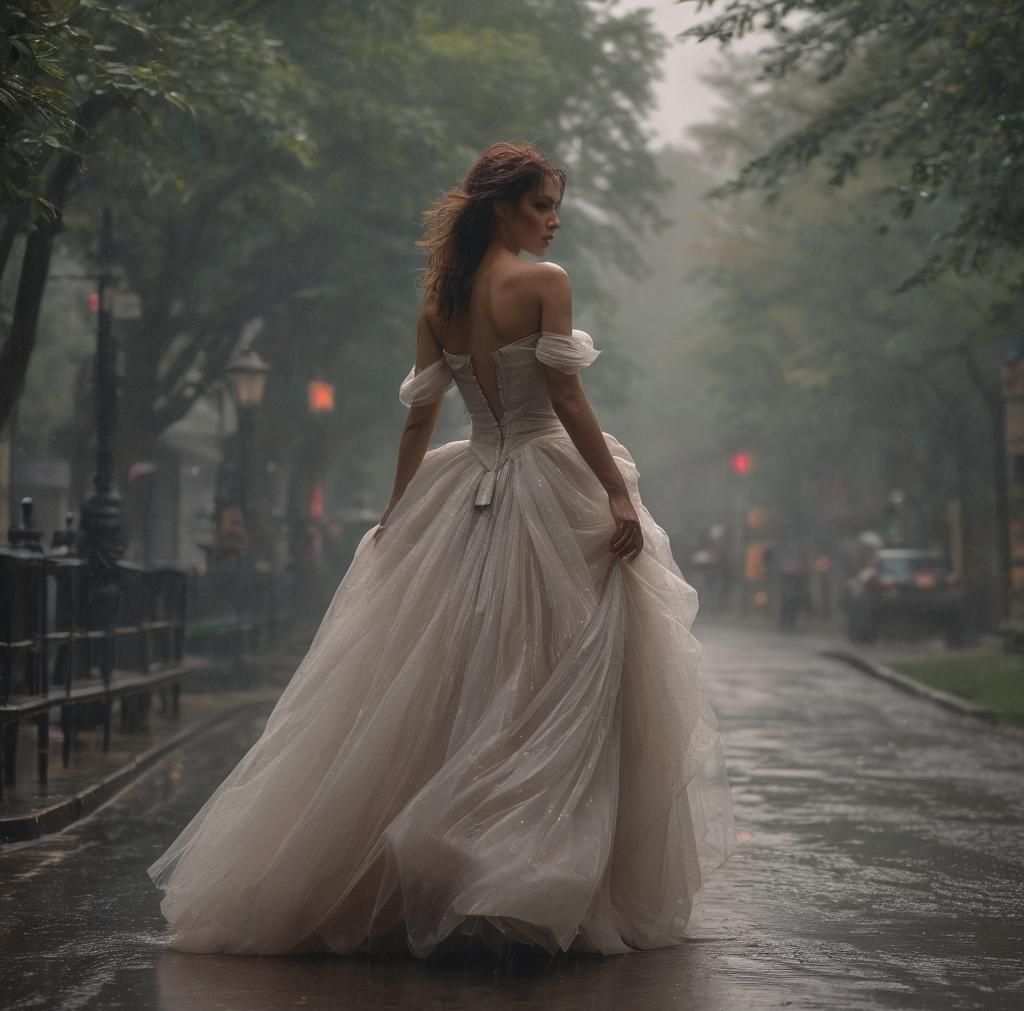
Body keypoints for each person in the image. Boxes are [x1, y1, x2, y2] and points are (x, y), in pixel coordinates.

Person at [147, 141, 735, 959]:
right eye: (542, 206)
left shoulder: (441, 301)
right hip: (543, 479)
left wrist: (401, 509)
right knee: (549, 671)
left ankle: (440, 863)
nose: (554, 221)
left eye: (556, 206)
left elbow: (421, 418)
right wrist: (617, 491)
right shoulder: (544, 284)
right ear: (504, 207)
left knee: (452, 673)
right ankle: (520, 866)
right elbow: (564, 394)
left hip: (466, 485)